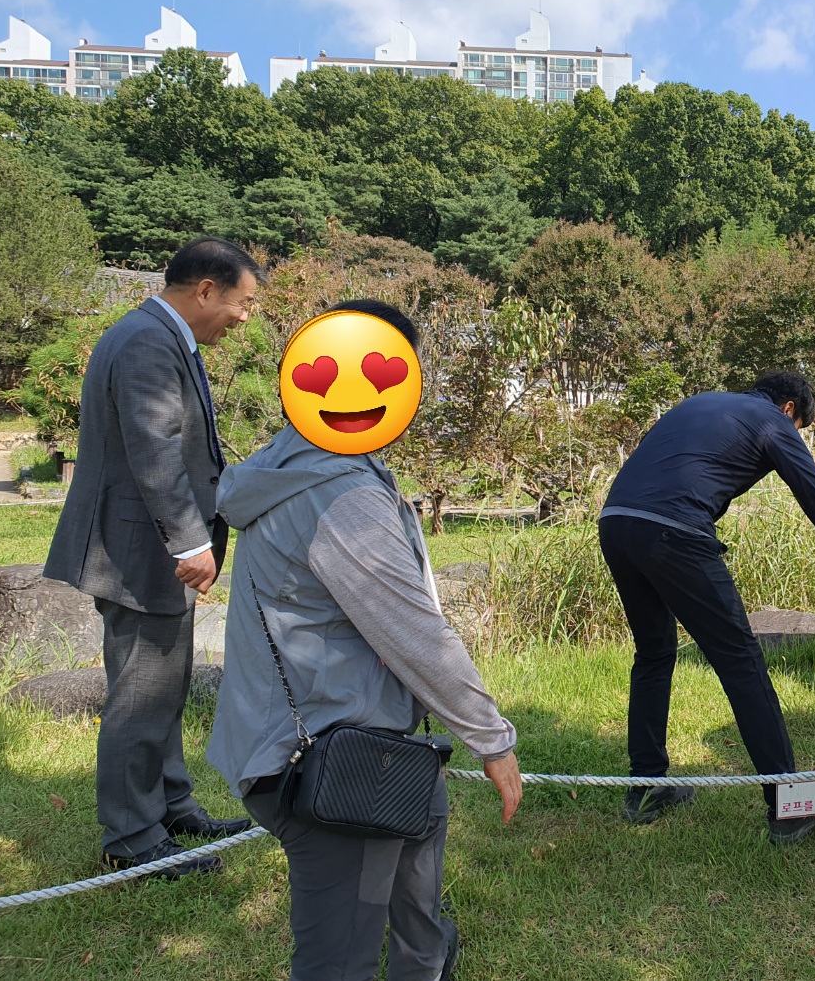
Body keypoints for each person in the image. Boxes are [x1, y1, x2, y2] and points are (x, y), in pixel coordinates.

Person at [207, 300, 522, 981]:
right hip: (327, 760)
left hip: (339, 737)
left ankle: (425, 960)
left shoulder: (291, 461)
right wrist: (492, 741)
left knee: (421, 837)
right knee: (339, 957)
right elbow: (415, 633)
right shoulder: (341, 495)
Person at [599, 372, 815, 845]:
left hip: (616, 522)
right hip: (675, 531)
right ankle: (787, 806)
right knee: (741, 661)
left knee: (654, 654)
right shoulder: (772, 421)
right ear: (790, 409)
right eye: (799, 429)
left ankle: (646, 788)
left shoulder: (702, 401)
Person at [44, 236, 260, 876]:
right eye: (244, 303)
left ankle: (170, 808)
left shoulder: (155, 334)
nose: (245, 317)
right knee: (140, 696)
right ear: (206, 290)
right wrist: (191, 542)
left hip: (145, 548)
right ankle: (134, 841)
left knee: (162, 687)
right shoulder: (146, 341)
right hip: (143, 552)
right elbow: (155, 449)